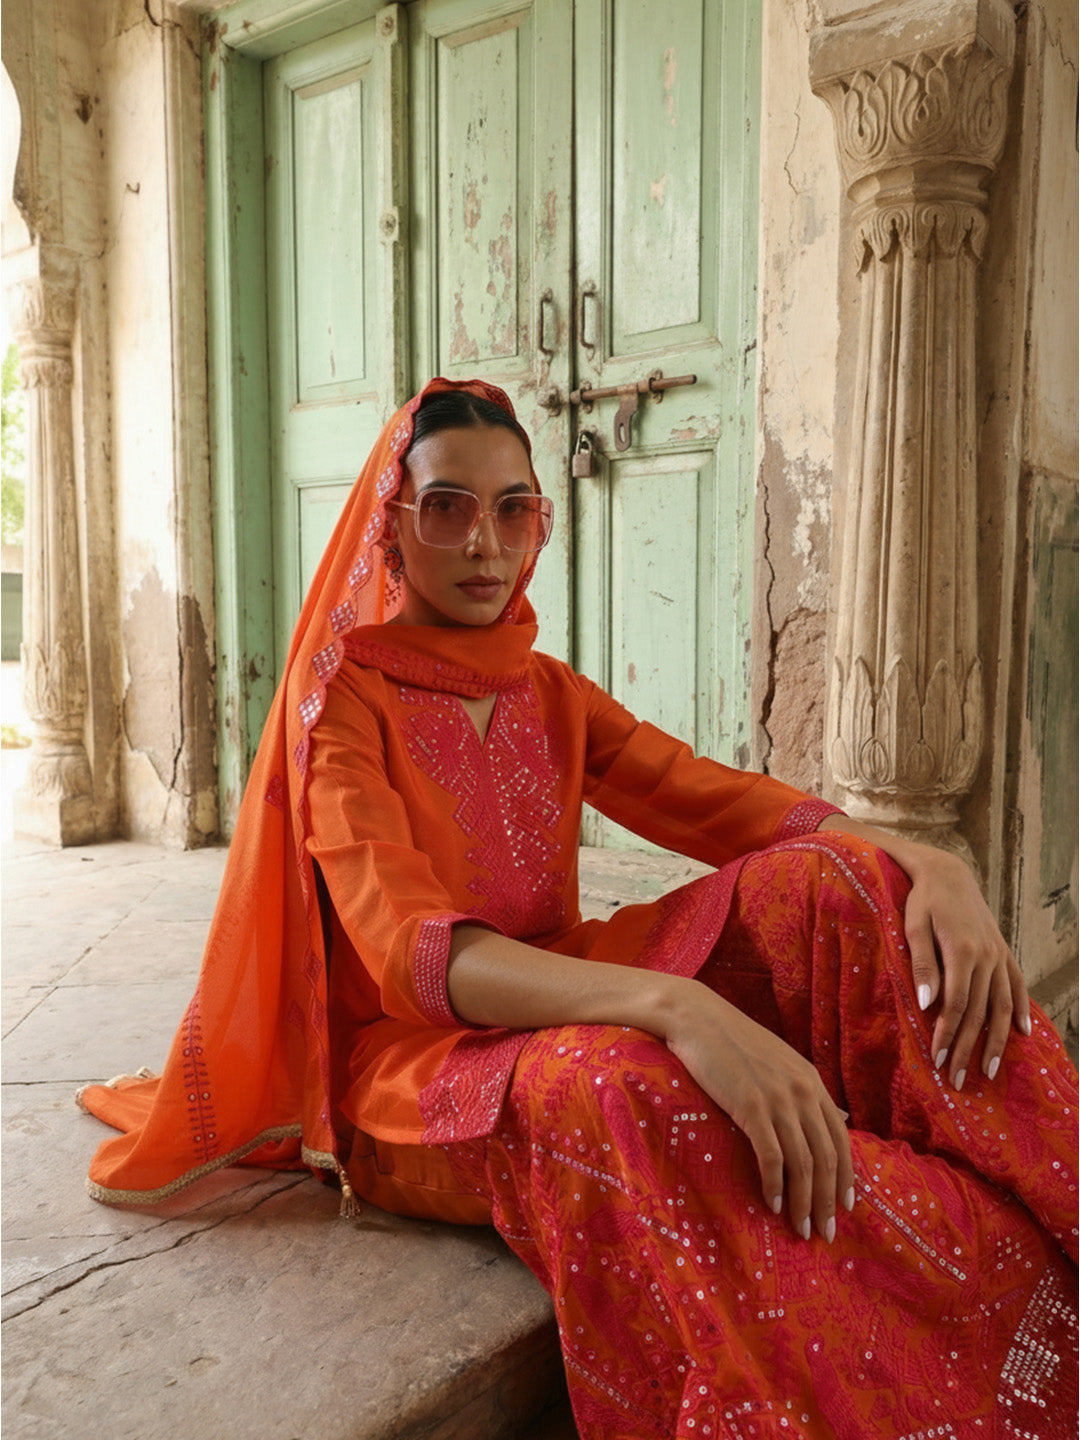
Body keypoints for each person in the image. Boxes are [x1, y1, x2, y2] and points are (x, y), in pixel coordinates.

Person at [80, 379, 1078, 1439]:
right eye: (448, 507)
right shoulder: (344, 709)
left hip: (563, 985)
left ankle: (1051, 1203)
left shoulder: (542, 688)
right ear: (391, 522)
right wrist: (680, 1008)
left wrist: (931, 865)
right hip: (420, 1071)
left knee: (842, 887)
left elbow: (723, 802)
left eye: (515, 510)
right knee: (635, 1080)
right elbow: (418, 957)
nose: (486, 546)